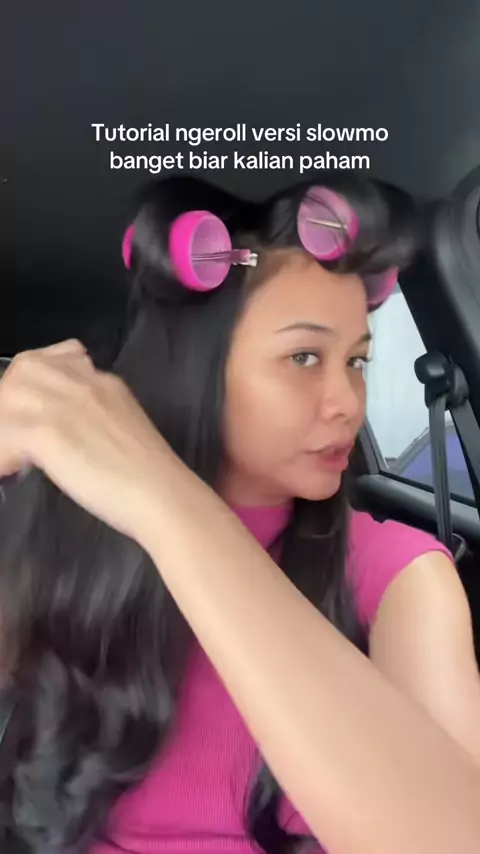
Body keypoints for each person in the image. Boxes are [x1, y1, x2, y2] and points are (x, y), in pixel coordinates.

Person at [0, 174, 479, 854]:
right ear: (196, 367)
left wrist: (165, 500)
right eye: (304, 357)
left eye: (357, 360)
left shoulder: (401, 572)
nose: (348, 400)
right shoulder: (73, 544)